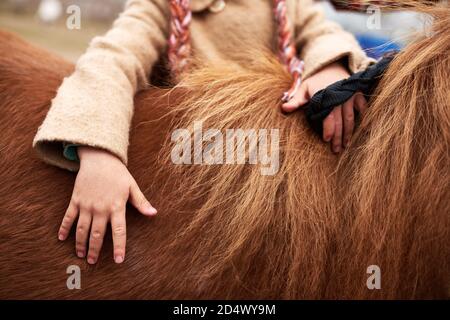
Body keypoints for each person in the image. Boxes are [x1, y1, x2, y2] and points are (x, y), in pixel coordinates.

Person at [33, 0, 373, 265]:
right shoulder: (162, 7)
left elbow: (324, 33)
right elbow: (112, 60)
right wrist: (99, 152)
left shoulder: (287, 6)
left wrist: (330, 65)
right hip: (194, 167)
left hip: (272, 170)